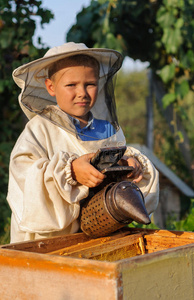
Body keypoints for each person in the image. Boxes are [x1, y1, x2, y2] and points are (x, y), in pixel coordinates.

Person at [7, 42, 159, 243]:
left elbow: (118, 166)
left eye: (90, 84)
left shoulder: (108, 130)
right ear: (51, 87)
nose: (82, 93)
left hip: (101, 232)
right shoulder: (40, 129)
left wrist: (128, 166)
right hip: (51, 240)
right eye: (71, 85)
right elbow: (23, 174)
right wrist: (70, 171)